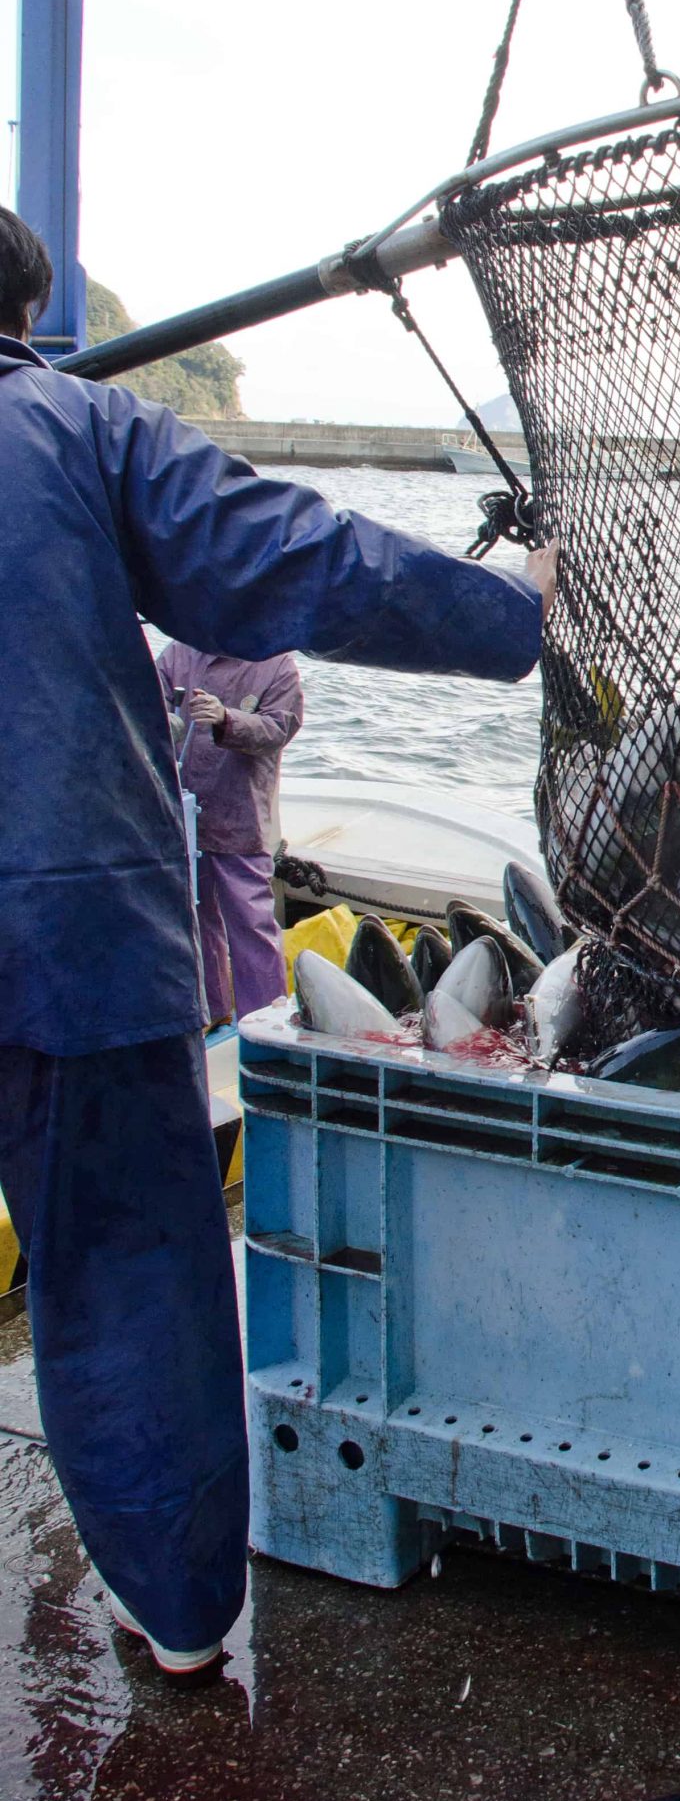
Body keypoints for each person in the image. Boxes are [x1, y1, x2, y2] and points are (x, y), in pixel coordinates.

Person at [0, 204, 554, 1681]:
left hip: (74, 926)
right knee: (123, 1265)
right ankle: (178, 1611)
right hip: (69, 935)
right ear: (27, 307)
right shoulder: (75, 431)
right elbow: (293, 557)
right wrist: (511, 614)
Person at [157, 644, 304, 1019]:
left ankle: (265, 1018)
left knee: (250, 921)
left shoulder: (277, 665)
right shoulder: (179, 653)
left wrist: (226, 719)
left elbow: (279, 727)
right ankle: (212, 1012)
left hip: (240, 815)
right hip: (183, 814)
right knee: (195, 917)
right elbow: (144, 697)